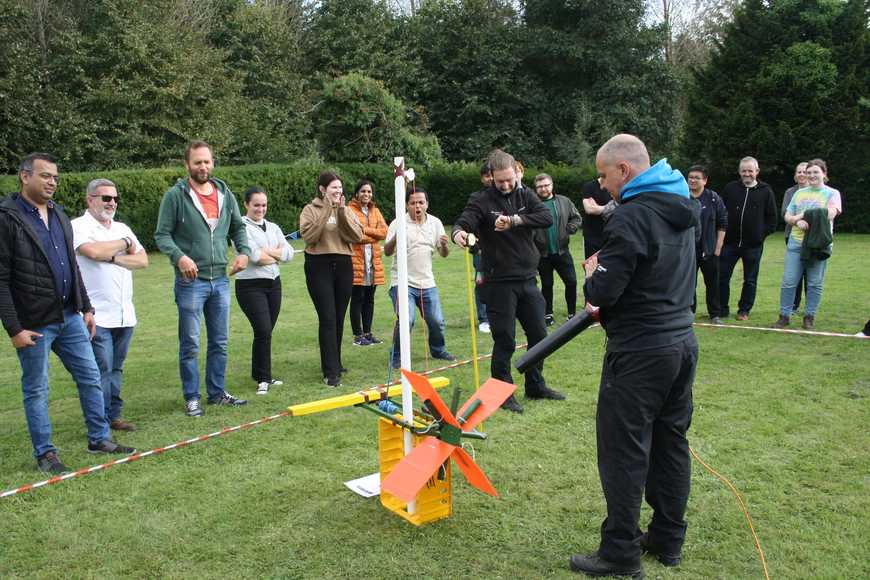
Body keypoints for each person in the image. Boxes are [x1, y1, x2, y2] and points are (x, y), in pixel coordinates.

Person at [571, 134, 699, 579]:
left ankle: (620, 552)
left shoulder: (629, 217)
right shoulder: (683, 205)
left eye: (604, 175)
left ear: (624, 171)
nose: (602, 185)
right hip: (681, 343)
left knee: (623, 451)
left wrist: (592, 275)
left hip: (641, 351)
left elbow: (604, 290)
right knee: (670, 442)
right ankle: (668, 537)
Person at [0, 153, 136, 474]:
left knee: (91, 378)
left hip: (70, 316)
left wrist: (85, 307)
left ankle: (99, 438)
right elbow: (1, 278)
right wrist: (14, 329)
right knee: (37, 389)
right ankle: (46, 454)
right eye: (45, 176)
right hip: (34, 323)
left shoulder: (59, 215)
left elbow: (72, 267)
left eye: (55, 178)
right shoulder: (7, 217)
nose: (52, 182)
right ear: (24, 176)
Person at [453, 149, 564, 414]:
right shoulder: (480, 200)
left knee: (539, 334)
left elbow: (546, 218)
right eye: (500, 180)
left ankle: (535, 384)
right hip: (498, 281)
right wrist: (459, 232)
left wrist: (515, 220)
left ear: (516, 173)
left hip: (527, 278)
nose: (505, 185)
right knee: (505, 339)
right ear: (491, 176)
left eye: (509, 179)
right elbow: (465, 221)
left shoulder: (526, 195)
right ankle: (503, 392)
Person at [155, 140, 252, 416]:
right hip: (190, 282)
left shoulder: (225, 193)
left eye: (207, 161)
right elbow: (161, 235)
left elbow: (237, 228)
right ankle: (192, 396)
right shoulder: (175, 196)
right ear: (187, 165)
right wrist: (179, 257)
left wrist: (243, 253)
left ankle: (217, 392)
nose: (203, 166)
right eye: (197, 162)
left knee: (220, 341)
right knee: (191, 343)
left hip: (220, 279)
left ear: (213, 163)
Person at [72, 178, 149, 432]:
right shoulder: (78, 226)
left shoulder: (122, 226)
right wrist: (125, 245)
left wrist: (113, 257)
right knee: (99, 370)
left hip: (125, 314)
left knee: (116, 368)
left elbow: (143, 260)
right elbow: (92, 252)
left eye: (115, 198)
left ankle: (113, 416)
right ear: (90, 199)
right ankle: (99, 420)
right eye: (106, 198)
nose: (112, 203)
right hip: (96, 314)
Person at [299, 171, 363, 387]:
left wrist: (342, 212)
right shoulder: (310, 210)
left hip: (344, 264)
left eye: (340, 187)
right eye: (334, 187)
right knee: (327, 317)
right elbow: (309, 237)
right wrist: (326, 211)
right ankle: (330, 372)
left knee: (338, 317)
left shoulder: (346, 209)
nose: (338, 191)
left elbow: (355, 236)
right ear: (322, 189)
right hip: (319, 266)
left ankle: (335, 362)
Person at [384, 188, 456, 369]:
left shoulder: (435, 223)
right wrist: (396, 237)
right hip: (401, 282)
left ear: (427, 204)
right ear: (407, 205)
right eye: (413, 203)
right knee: (406, 320)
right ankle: (396, 356)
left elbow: (444, 254)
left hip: (427, 282)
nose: (417, 206)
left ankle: (438, 350)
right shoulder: (398, 223)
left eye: (420, 202)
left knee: (436, 321)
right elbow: (387, 251)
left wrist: (445, 245)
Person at [235, 187, 294, 396]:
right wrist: (275, 254)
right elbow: (254, 257)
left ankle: (262, 374)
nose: (261, 209)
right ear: (246, 205)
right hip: (250, 286)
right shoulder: (240, 226)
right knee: (262, 330)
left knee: (266, 332)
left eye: (264, 205)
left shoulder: (273, 227)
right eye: (256, 205)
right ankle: (262, 378)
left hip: (273, 284)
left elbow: (289, 254)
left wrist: (270, 253)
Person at [774, 159, 842, 330]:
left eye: (815, 172)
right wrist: (797, 222)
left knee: (814, 283)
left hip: (818, 244)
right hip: (796, 243)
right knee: (789, 281)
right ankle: (784, 316)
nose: (810, 175)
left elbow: (831, 213)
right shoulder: (799, 193)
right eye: (808, 172)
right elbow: (788, 217)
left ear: (824, 174)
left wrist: (805, 216)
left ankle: (809, 317)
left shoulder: (832, 193)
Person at [718, 156, 777, 321]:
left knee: (750, 280)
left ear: (757, 171)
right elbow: (721, 212)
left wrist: (760, 235)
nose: (747, 174)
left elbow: (772, 219)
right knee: (722, 277)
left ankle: (744, 310)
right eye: (744, 171)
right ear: (739, 171)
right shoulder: (730, 188)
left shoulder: (766, 191)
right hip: (729, 243)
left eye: (750, 170)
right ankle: (722, 309)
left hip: (753, 245)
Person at [532, 173, 582, 326]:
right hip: (542, 254)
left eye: (546, 185)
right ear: (536, 189)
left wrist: (570, 228)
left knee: (572, 282)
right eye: (540, 186)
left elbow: (577, 217)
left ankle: (572, 313)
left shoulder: (564, 201)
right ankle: (548, 314)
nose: (543, 189)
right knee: (547, 285)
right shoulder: (532, 205)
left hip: (562, 251)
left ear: (552, 185)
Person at [348, 180, 387, 346]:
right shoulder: (349, 211)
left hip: (373, 262)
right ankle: (358, 336)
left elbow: (384, 232)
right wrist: (373, 235)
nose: (366, 194)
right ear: (357, 193)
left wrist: (365, 230)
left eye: (369, 192)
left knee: (370, 299)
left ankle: (368, 333)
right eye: (363, 191)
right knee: (357, 298)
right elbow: (354, 235)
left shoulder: (375, 211)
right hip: (356, 262)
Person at [686, 165, 727, 324]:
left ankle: (714, 314)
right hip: (688, 250)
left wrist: (718, 248)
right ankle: (689, 312)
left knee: (712, 283)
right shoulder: (682, 197)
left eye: (697, 177)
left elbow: (723, 222)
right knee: (689, 284)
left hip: (709, 249)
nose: (693, 180)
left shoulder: (713, 198)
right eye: (690, 177)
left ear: (705, 180)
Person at [782, 162, 809, 314]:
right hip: (792, 236)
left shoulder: (818, 192)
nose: (801, 174)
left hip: (812, 238)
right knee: (795, 273)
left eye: (804, 171)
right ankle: (794, 306)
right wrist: (797, 220)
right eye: (798, 172)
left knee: (809, 274)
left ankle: (809, 308)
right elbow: (785, 212)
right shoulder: (790, 192)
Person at [473, 163, 492, 333]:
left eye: (492, 174)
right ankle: (484, 318)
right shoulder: (476, 198)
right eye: (487, 175)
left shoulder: (506, 195)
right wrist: (476, 247)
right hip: (480, 251)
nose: (490, 178)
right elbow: (471, 224)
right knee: (481, 283)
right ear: (482, 178)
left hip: (502, 250)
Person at [581, 177, 617, 259]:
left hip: (612, 235)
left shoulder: (616, 186)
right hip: (592, 237)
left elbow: (621, 207)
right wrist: (610, 207)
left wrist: (598, 208)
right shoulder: (589, 186)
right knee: (592, 267)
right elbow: (589, 209)